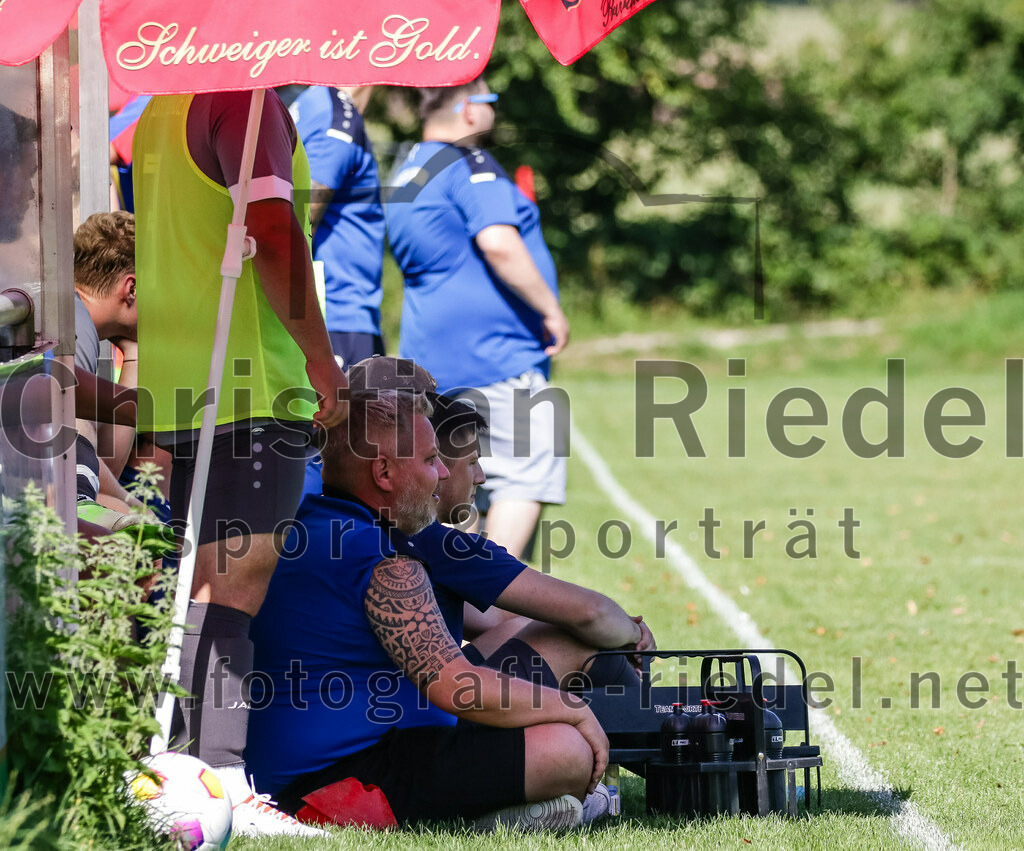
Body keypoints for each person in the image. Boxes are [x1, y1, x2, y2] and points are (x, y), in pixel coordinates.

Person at [132, 89, 348, 837]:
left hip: (186, 374)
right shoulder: (243, 96)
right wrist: (323, 360)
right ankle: (219, 779)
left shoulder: (166, 100)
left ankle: (176, 770)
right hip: (248, 378)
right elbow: (272, 232)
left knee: (200, 584)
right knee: (231, 589)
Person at [247, 390, 608, 830]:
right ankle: (481, 819)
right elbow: (457, 687)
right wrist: (573, 709)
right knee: (567, 750)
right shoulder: (379, 556)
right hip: (337, 780)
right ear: (383, 471)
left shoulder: (313, 521)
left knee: (554, 676)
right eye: (430, 459)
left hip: (327, 760)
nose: (442, 473)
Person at [386, 77, 570, 560]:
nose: (495, 110)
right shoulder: (470, 162)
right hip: (497, 358)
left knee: (457, 490)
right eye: (491, 100)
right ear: (469, 109)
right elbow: (498, 242)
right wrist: (550, 309)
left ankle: (451, 612)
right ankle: (487, 602)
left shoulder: (408, 168)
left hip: (434, 363)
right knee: (522, 478)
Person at [290, 85, 386, 367]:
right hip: (336, 315)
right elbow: (302, 215)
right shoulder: (337, 115)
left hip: (329, 315)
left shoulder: (308, 102)